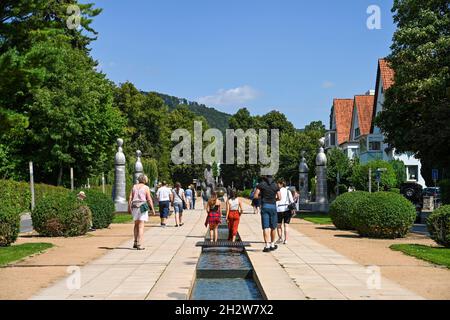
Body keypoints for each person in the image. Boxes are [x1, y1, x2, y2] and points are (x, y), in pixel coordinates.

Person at [128, 175, 156, 250]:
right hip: (142, 207)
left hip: (134, 206)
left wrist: (129, 207)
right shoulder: (146, 188)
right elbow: (149, 199)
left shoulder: (134, 186)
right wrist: (152, 209)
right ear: (145, 180)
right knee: (141, 225)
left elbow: (130, 197)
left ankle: (135, 241)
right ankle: (139, 244)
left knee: (136, 224)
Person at [254, 175, 281, 252]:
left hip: (265, 206)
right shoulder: (276, 185)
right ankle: (272, 244)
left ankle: (267, 246)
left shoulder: (261, 184)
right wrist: (273, 199)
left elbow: (255, 195)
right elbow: (280, 197)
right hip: (273, 206)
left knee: (265, 227)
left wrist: (262, 198)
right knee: (273, 227)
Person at [276, 180, 294, 245]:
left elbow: (276, 200)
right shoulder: (288, 191)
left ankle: (280, 238)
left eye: (277, 184)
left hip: (278, 209)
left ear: (281, 184)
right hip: (287, 209)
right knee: (286, 225)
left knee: (278, 225)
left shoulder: (277, 191)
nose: (277, 185)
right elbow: (292, 201)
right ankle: (286, 239)